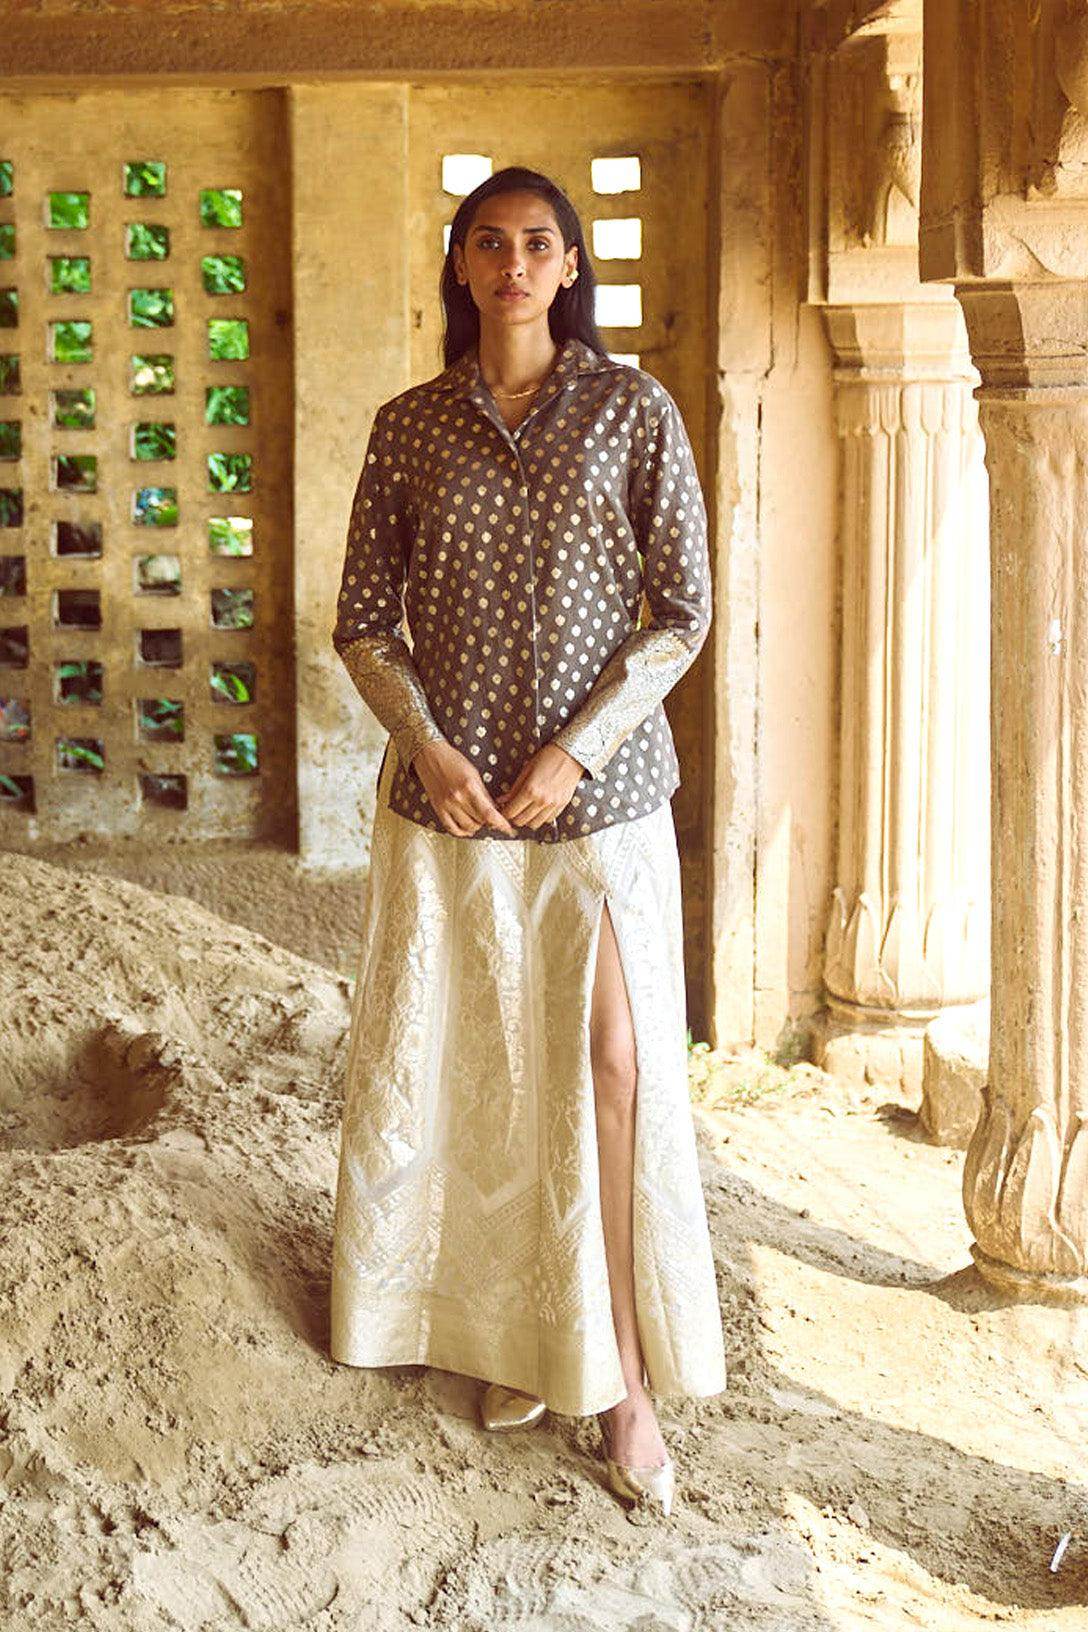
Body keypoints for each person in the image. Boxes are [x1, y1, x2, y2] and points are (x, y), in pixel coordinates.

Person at [329, 164, 727, 1517]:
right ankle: (517, 1340)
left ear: (569, 268)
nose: (513, 265)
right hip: (454, 813)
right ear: (459, 263)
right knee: (491, 1071)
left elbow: (682, 611)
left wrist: (580, 749)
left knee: (612, 1062)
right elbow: (363, 621)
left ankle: (626, 1381)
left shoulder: (631, 411)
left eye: (538, 244)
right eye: (489, 243)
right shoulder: (410, 428)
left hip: (597, 807)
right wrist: (427, 747)